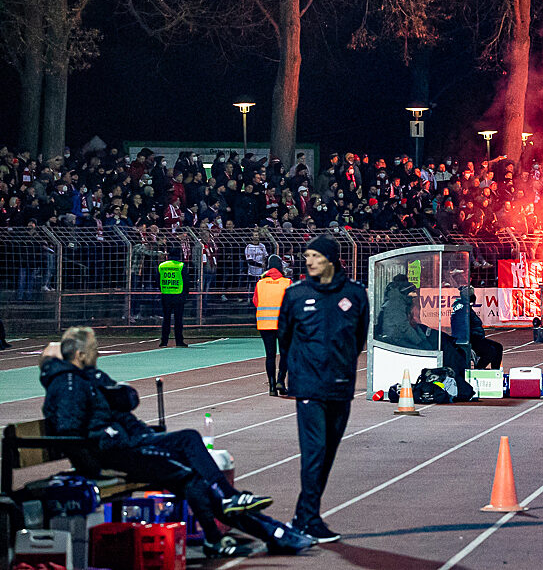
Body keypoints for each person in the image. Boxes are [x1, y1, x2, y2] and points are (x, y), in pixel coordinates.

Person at [39, 327, 300, 558]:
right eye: (95, 349)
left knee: (191, 465)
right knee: (189, 457)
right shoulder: (70, 383)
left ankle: (229, 530)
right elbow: (71, 430)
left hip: (128, 443)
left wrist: (111, 398)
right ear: (81, 355)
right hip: (117, 452)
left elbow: (127, 400)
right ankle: (230, 517)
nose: (99, 353)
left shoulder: (90, 379)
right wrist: (95, 464)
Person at [278, 235, 369, 543]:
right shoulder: (295, 294)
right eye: (307, 256)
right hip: (308, 387)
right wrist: (300, 370)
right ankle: (308, 518)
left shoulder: (355, 294)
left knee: (327, 452)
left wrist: (341, 363)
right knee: (315, 452)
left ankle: (306, 515)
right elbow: (285, 336)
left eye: (315, 256)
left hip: (341, 385)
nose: (309, 261)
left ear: (331, 259)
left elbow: (358, 339)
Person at [253, 255, 291, 395]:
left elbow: (256, 301)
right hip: (283, 324)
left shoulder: (260, 283)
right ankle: (281, 380)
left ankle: (272, 387)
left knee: (270, 355)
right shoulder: (287, 282)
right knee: (285, 353)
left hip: (264, 323)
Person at [451, 284, 504, 369]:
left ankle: (495, 371)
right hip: (469, 338)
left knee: (498, 347)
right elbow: (462, 326)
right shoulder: (463, 309)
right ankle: (478, 369)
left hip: (475, 337)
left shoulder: (465, 307)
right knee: (491, 351)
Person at [157, 248, 190, 348]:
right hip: (178, 294)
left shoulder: (162, 266)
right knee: (178, 320)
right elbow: (186, 281)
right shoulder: (181, 266)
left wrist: (162, 289)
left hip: (166, 294)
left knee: (166, 319)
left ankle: (164, 341)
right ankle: (179, 341)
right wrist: (186, 293)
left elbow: (157, 280)